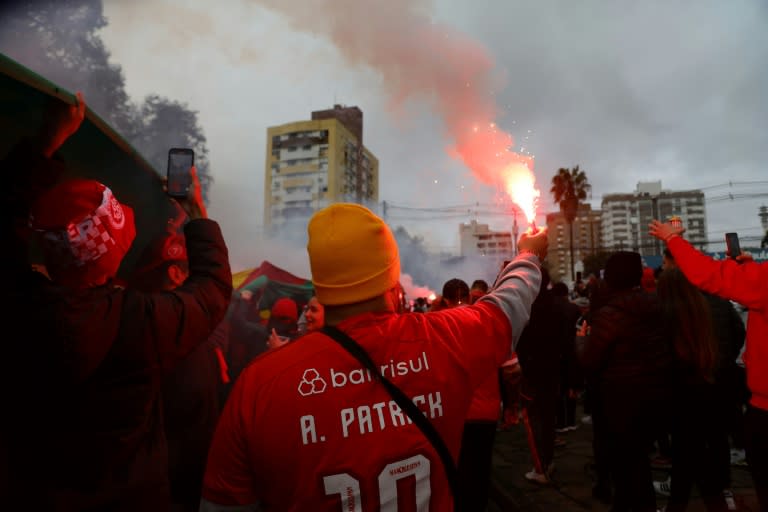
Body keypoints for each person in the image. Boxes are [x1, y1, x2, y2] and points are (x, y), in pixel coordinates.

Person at [201, 203, 547, 511]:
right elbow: (507, 308)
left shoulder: (259, 385)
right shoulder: (444, 339)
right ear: (393, 282)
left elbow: (223, 502)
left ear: (321, 289)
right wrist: (528, 256)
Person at [2, 92, 233, 509]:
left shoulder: (16, 305)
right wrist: (195, 211)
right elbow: (214, 291)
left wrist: (42, 147)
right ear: (118, 246)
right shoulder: (142, 323)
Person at [649, 219, 767, 510]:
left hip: (763, 408)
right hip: (724, 389)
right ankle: (719, 492)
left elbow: (707, 274)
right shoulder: (749, 289)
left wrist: (673, 240)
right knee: (714, 444)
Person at [127, 207, 228, 512]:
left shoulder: (128, 323)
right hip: (174, 491)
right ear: (174, 274)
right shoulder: (179, 339)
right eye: (190, 270)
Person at [580, 251, 676, 511]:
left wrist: (582, 339)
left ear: (610, 278)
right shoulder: (658, 305)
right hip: (657, 395)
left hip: (622, 401)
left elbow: (590, 361)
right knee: (639, 461)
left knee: (626, 467)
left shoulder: (609, 314)